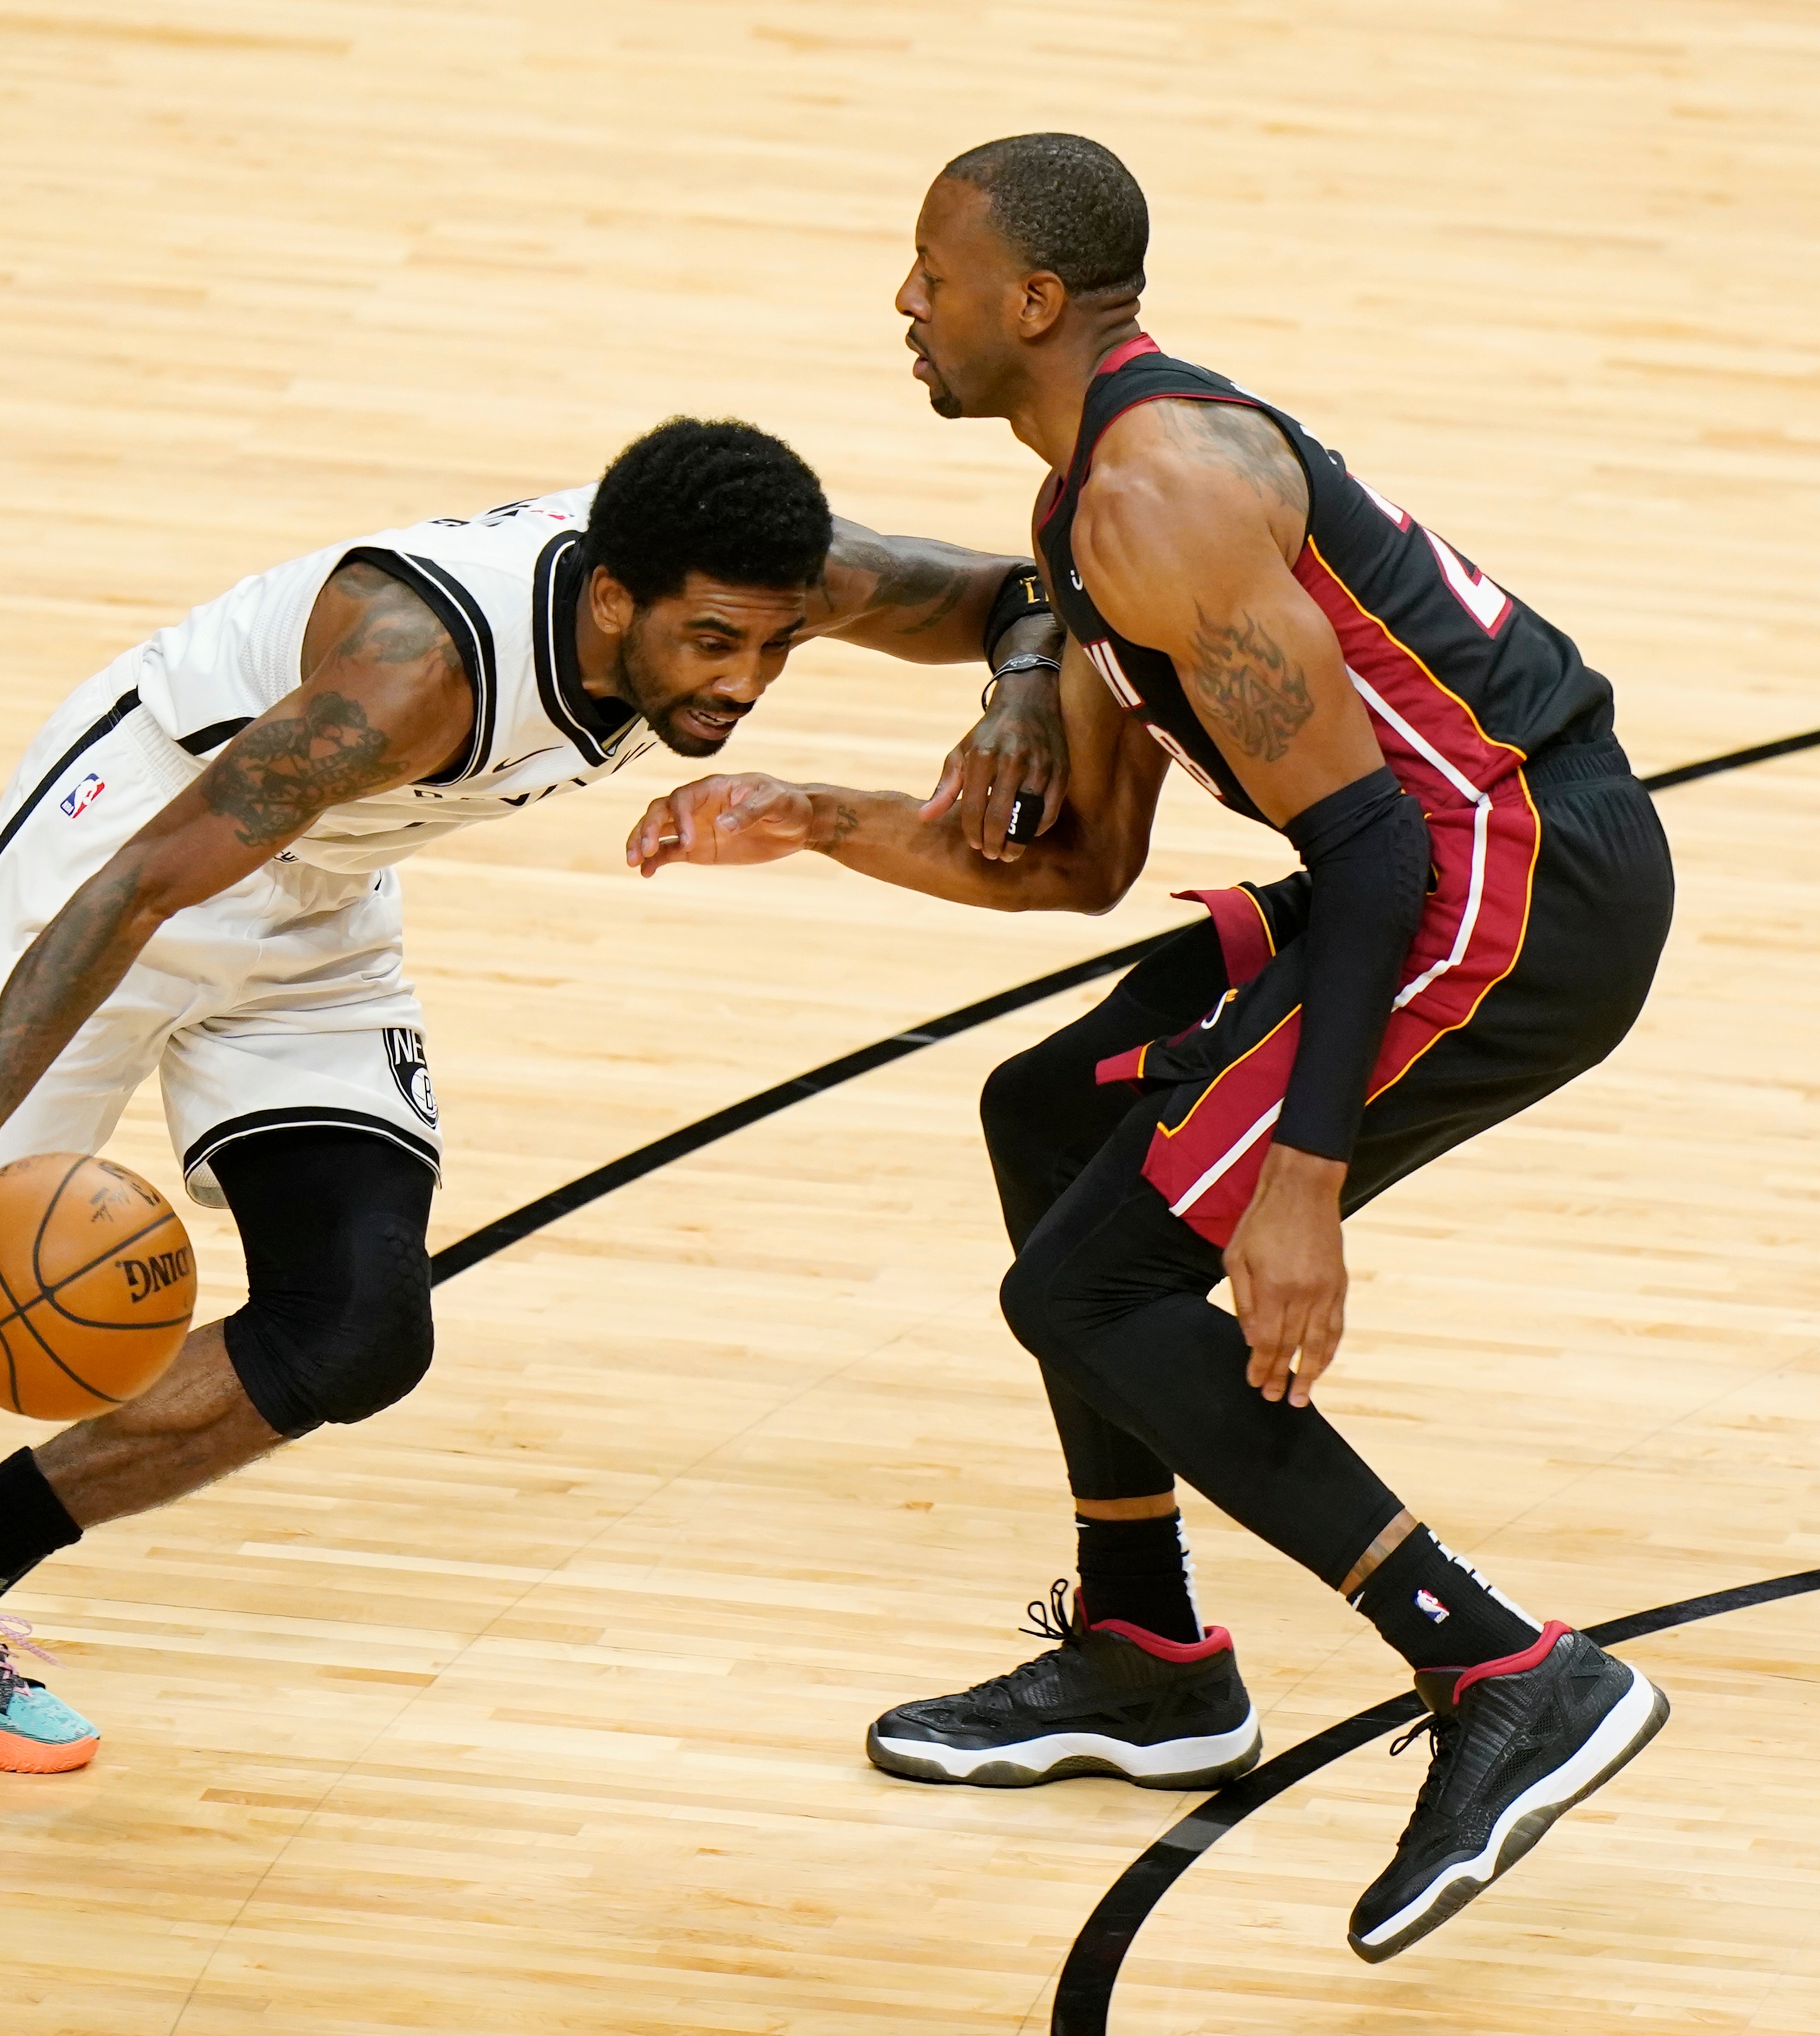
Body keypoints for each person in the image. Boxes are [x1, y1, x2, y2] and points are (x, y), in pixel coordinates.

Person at [0, 417, 1070, 1774]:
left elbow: (1019, 593)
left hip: (319, 896)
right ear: (613, 598)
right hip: (127, 855)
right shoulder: (412, 672)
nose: (744, 682)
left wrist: (1017, 695)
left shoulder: (766, 565)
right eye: (712, 644)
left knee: (358, 1327)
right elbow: (138, 886)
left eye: (776, 645)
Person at [624, 141, 1679, 1964]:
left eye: (932, 270)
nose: (905, 301)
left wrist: (1301, 1178)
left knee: (1088, 1287)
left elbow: (1373, 848)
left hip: (1500, 885)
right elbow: (1081, 867)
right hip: (1445, 872)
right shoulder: (1080, 516)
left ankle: (1500, 1665)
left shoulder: (1159, 491)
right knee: (1044, 1112)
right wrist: (812, 813)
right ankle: (1145, 1650)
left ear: (1033, 300)